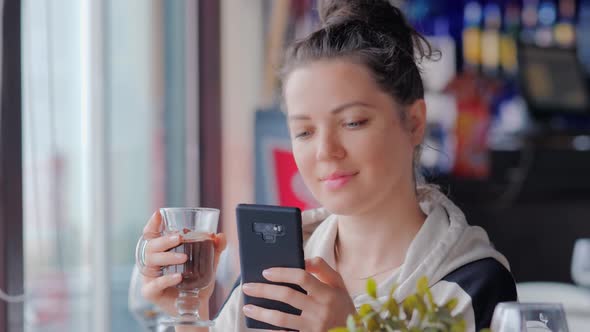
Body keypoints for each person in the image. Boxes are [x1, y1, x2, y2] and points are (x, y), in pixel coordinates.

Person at [138, 0, 517, 331]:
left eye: (352, 122)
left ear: (414, 122)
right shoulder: (281, 269)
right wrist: (186, 313)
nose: (326, 151)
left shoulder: (473, 282)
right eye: (304, 132)